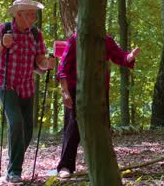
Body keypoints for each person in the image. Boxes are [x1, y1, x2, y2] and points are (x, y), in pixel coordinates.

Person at [0, 0, 55, 183]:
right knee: (16, 123)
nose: (33, 18)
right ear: (18, 15)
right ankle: (14, 171)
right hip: (5, 83)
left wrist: (47, 64)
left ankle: (13, 159)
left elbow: (39, 60)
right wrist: (2, 44)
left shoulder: (36, 34)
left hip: (26, 85)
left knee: (28, 130)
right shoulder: (3, 30)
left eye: (34, 14)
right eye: (30, 14)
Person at [56, 29, 140, 178]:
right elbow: (62, 68)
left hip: (100, 89)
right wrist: (65, 92)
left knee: (102, 126)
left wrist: (129, 57)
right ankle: (65, 166)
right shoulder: (75, 40)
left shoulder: (105, 39)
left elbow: (119, 56)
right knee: (73, 127)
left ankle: (104, 165)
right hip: (77, 89)